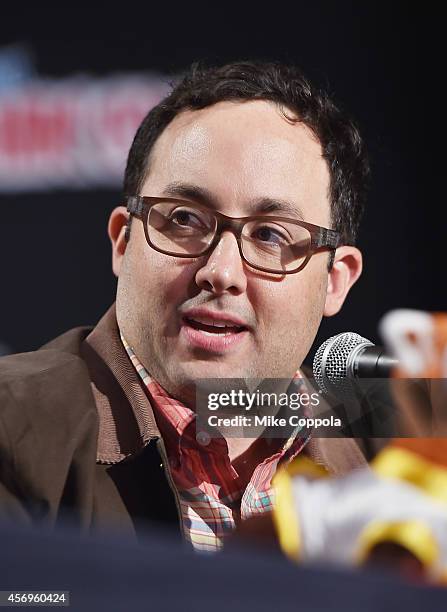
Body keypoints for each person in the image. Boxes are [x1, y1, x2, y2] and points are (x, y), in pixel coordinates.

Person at [0, 61, 369, 550]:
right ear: (123, 241)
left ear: (334, 281)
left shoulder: (396, 454)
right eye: (183, 219)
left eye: (270, 234)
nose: (220, 271)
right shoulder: (12, 426)